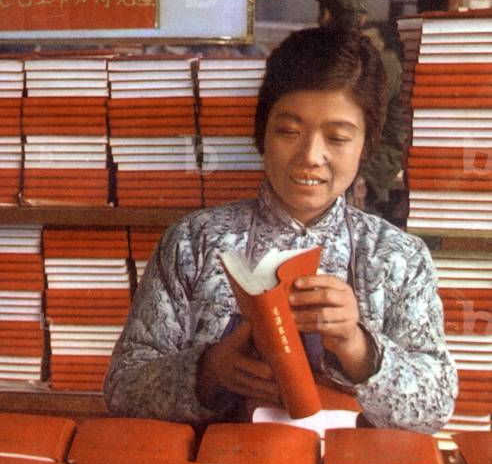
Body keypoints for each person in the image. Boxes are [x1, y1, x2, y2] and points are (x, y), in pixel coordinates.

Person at [105, 26, 456, 433]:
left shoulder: (397, 257)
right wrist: (208, 371)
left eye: (338, 137)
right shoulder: (193, 242)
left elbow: (435, 408)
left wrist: (357, 348)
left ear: (366, 144)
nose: (311, 156)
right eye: (289, 132)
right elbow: (122, 389)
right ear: (262, 133)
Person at [316, 0, 407, 219]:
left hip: (358, 184)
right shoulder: (375, 59)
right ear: (363, 19)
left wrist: (365, 175)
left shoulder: (368, 64)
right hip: (354, 176)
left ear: (325, 16)